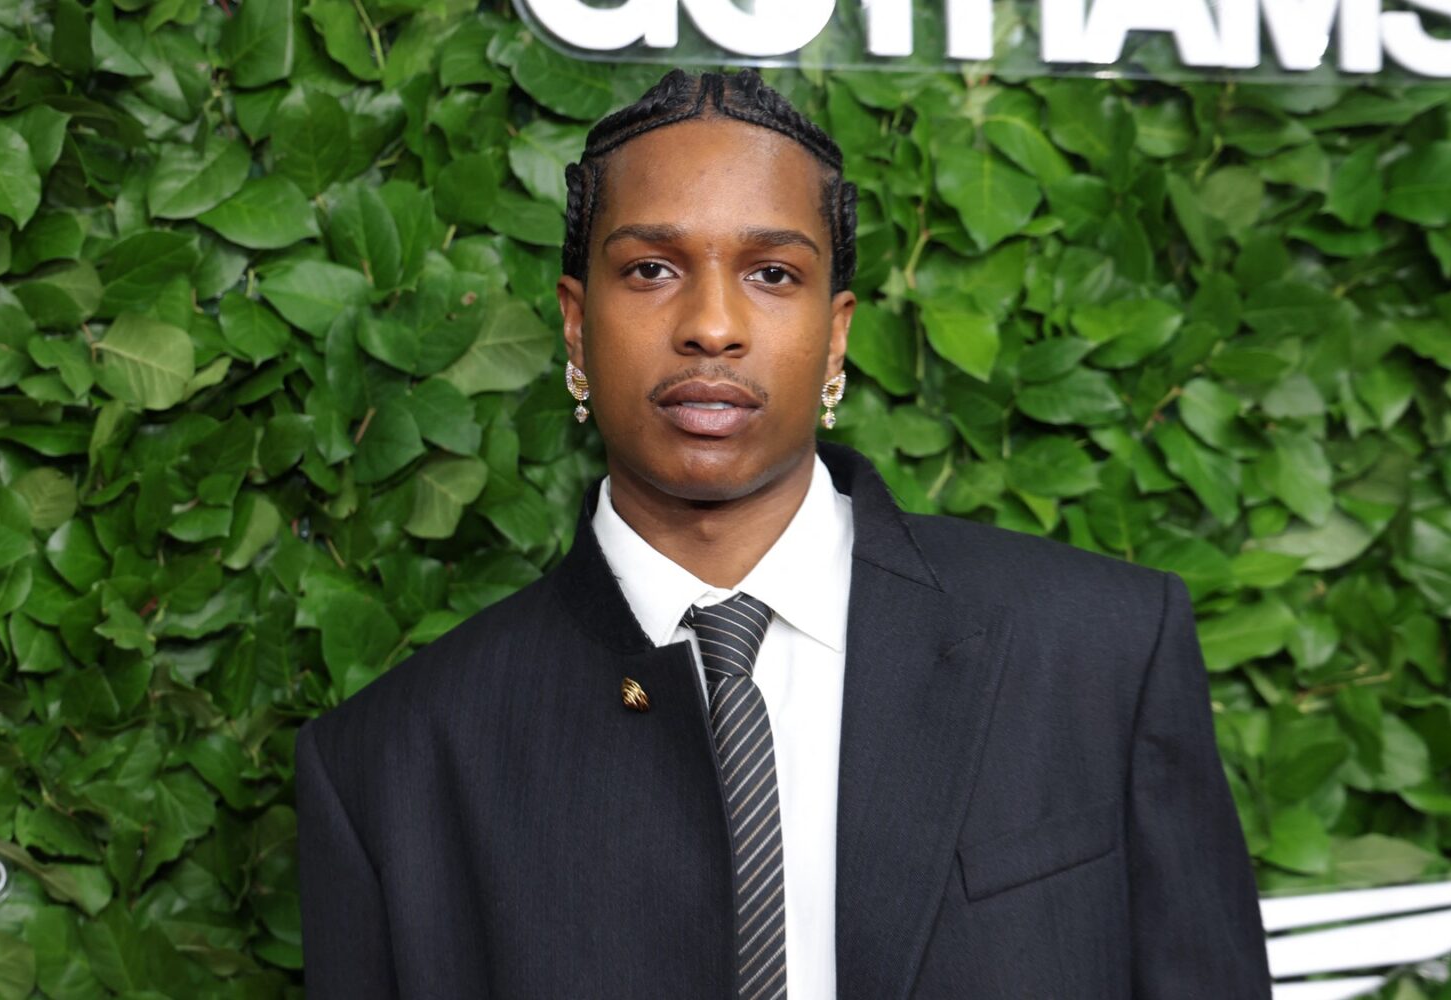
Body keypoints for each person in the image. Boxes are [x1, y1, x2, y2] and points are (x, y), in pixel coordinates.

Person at [295, 68, 1273, 999]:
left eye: (771, 272)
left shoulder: (1101, 649)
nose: (712, 325)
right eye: (650, 268)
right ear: (575, 324)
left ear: (837, 333)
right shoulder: (391, 766)